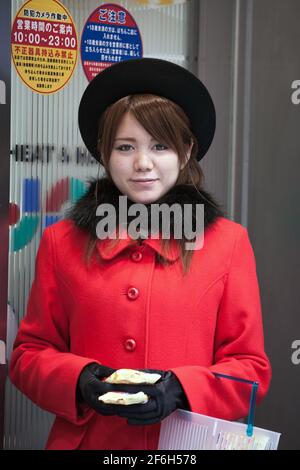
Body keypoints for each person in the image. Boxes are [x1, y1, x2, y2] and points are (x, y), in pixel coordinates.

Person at [9, 58, 272, 450]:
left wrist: (183, 389)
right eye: (125, 147)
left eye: (160, 145)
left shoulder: (227, 243)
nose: (143, 163)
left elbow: (251, 371)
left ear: (186, 153)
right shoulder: (61, 242)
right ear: (104, 153)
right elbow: (28, 356)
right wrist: (77, 379)